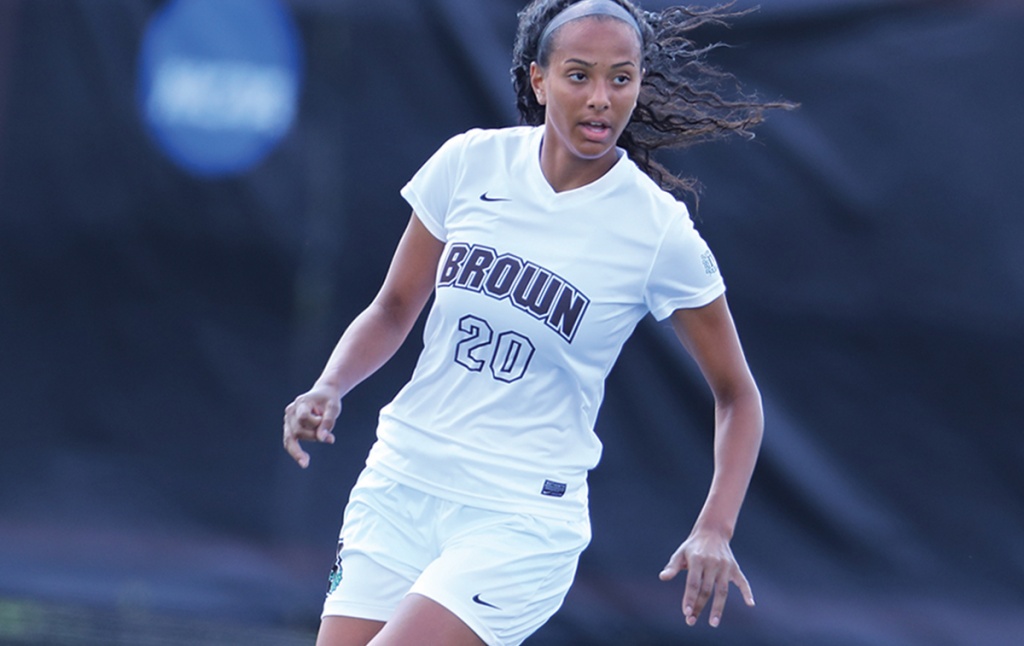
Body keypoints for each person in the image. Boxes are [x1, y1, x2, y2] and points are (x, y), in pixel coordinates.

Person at [283, 1, 784, 644]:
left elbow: (737, 395)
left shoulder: (657, 231)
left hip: (518, 519)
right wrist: (329, 386)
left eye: (621, 77)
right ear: (538, 79)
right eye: (579, 75)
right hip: (401, 481)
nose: (602, 97)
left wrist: (715, 526)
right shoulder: (469, 163)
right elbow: (393, 307)